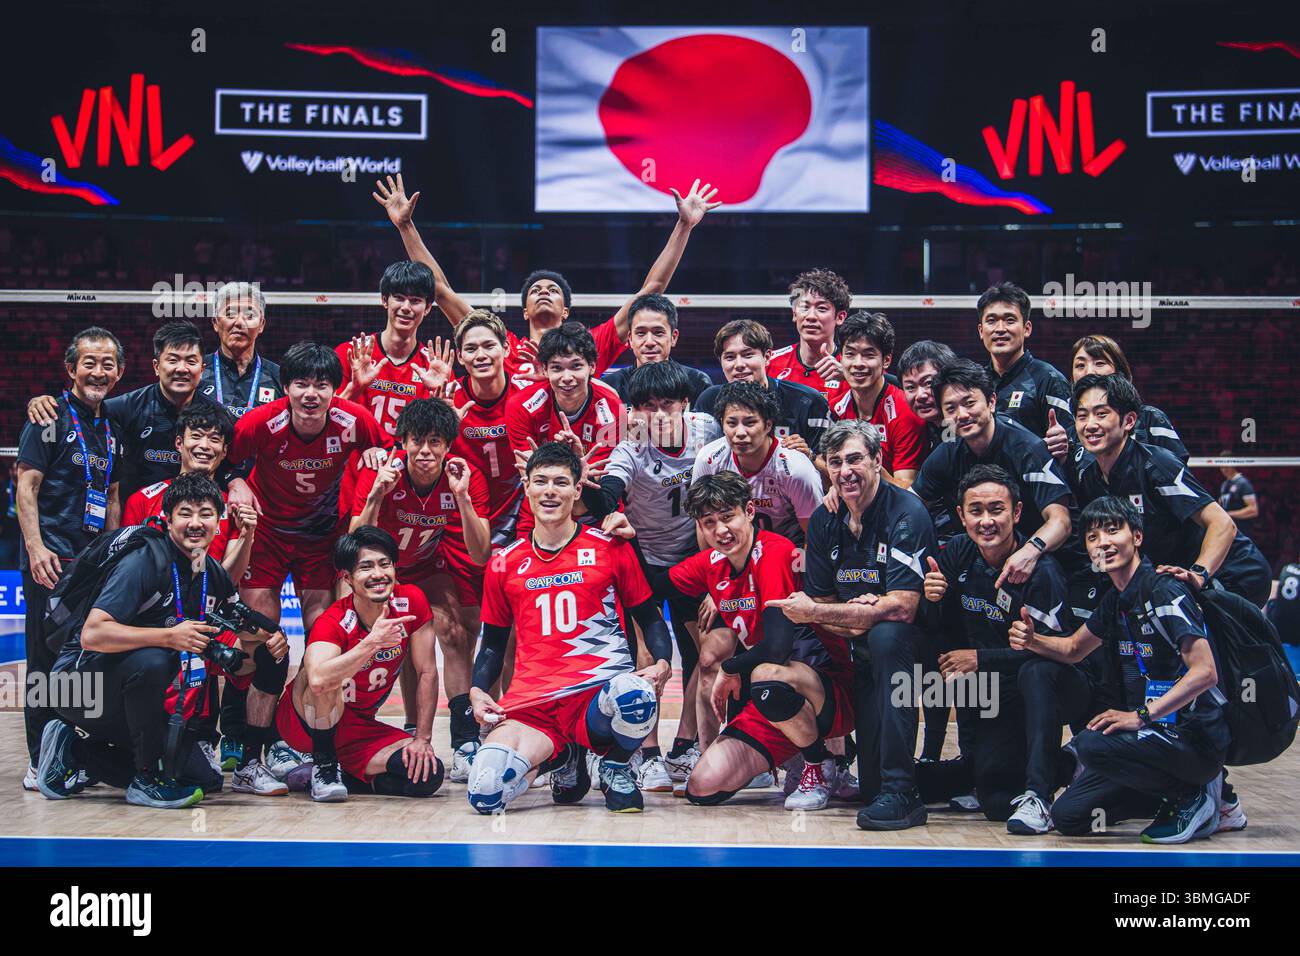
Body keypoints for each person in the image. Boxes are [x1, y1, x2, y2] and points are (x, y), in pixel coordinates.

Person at [35, 474, 286, 809]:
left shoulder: (207, 568)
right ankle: (144, 780)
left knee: (203, 779)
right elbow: (92, 633)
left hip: (131, 694)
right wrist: (169, 636)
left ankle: (77, 752)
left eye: (206, 514)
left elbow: (237, 620)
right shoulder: (144, 560)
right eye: (185, 513)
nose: (195, 523)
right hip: (78, 686)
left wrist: (271, 638)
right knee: (156, 658)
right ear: (169, 519)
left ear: (218, 519)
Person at [466, 442, 673, 814]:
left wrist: (661, 662)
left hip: (596, 699)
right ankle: (559, 758)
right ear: (526, 485)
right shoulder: (504, 563)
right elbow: (494, 644)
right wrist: (478, 691)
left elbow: (650, 619)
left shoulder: (611, 547)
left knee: (635, 694)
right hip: (534, 706)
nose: (549, 491)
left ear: (578, 490)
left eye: (561, 482)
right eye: (540, 481)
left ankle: (613, 765)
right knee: (485, 792)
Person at [1010, 496, 1230, 844]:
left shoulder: (1164, 590)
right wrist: (1033, 640)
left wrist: (1141, 715)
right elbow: (1073, 649)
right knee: (1070, 816)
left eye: (1113, 531)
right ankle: (1164, 795)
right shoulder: (1115, 600)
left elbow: (1205, 673)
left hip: (1193, 738)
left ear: (1137, 537)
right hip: (1152, 740)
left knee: (1092, 745)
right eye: (1093, 537)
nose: (1103, 543)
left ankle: (1195, 794)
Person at [226, 343, 386, 790]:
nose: (311, 393)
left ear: (335, 389)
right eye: (302, 384)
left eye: (321, 384)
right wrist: (236, 481)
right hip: (269, 536)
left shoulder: (356, 420)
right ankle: (246, 755)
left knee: (325, 641)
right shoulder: (260, 423)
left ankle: (317, 756)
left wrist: (378, 458)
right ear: (286, 388)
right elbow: (226, 462)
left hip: (321, 540)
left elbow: (388, 449)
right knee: (261, 633)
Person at [375, 173, 719, 378]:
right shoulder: (502, 346)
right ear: (524, 310)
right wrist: (405, 225)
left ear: (565, 311)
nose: (543, 291)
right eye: (535, 289)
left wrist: (684, 226)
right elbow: (440, 291)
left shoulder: (587, 347)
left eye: (552, 290)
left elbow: (651, 291)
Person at [765, 422, 936, 829]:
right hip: (860, 645)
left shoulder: (907, 513)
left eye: (856, 459)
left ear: (878, 461)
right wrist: (857, 614)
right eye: (837, 462)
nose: (846, 471)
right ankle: (902, 781)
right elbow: (825, 600)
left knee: (889, 635)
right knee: (870, 786)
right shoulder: (827, 519)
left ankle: (904, 793)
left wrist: (829, 613)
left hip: (924, 650)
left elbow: (904, 609)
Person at [918, 464, 1095, 834]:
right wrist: (932, 599)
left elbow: (1059, 654)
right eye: (976, 511)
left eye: (996, 509)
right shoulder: (959, 553)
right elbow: (944, 629)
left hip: (1054, 687)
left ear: (1016, 513)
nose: (986, 521)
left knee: (1033, 671)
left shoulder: (1041, 573)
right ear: (961, 516)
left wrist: (980, 659)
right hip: (996, 692)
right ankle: (972, 764)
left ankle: (1054, 776)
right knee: (996, 803)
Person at [583, 361, 722, 790]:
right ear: (633, 412)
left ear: (685, 404)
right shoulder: (630, 446)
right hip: (644, 558)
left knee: (705, 652)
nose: (657, 415)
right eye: (645, 407)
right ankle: (646, 754)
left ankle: (684, 746)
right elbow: (609, 493)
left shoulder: (707, 430)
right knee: (647, 656)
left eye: (667, 405)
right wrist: (585, 487)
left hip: (693, 559)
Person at [350, 398, 490, 779]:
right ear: (403, 442)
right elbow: (353, 542)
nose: (425, 451)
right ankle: (350, 735)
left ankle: (464, 741)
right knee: (368, 642)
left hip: (428, 565)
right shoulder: (380, 472)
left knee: (455, 631)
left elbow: (480, 554)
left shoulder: (464, 476)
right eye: (416, 441)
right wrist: (377, 494)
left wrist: (462, 499)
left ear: (448, 445)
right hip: (378, 572)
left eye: (435, 442)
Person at [16, 327, 123, 788]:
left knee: (81, 660)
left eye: (106, 364)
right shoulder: (49, 419)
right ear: (71, 369)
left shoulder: (111, 427)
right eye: (88, 362)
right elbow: (27, 487)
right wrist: (36, 548)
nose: (97, 371)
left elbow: (113, 495)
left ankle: (70, 751)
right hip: (51, 560)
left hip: (91, 564)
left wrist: (116, 555)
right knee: (44, 661)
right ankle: (39, 759)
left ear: (118, 373)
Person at [1066, 374, 1271, 606]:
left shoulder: (1157, 465)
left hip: (1232, 573)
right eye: (1082, 416)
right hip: (1173, 580)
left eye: (1101, 414)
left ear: (1129, 421)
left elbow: (1223, 523)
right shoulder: (1090, 480)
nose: (1090, 425)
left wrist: (1198, 574)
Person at [275, 526, 444, 802]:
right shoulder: (333, 620)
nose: (378, 574)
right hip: (305, 723)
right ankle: (324, 765)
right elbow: (317, 680)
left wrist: (423, 738)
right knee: (324, 677)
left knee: (426, 773)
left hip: (359, 729)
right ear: (348, 578)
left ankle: (342, 774)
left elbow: (427, 671)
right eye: (366, 567)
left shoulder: (411, 600)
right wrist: (372, 643)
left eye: (384, 564)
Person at [28, 321, 229, 502]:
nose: (182, 369)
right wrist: (43, 402)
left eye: (191, 362)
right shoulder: (122, 408)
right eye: (173, 360)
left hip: (194, 520)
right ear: (156, 366)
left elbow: (235, 463)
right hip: (135, 521)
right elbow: (79, 410)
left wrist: (236, 481)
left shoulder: (217, 416)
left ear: (202, 370)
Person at [911, 360, 1075, 575]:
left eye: (969, 403)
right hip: (985, 561)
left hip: (1043, 562)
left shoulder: (1028, 448)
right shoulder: (947, 451)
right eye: (951, 408)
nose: (961, 415)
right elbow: (910, 504)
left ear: (992, 402)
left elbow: (1061, 521)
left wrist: (1030, 551)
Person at [505, 322, 625, 537]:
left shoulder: (613, 408)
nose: (567, 377)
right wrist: (562, 459)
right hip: (539, 513)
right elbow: (534, 489)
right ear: (544, 370)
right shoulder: (521, 406)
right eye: (557, 368)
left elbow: (599, 496)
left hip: (596, 513)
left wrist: (562, 464)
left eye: (576, 366)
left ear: (592, 366)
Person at [120, 403, 256, 581]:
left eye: (214, 439)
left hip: (206, 604)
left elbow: (228, 581)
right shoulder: (142, 500)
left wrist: (247, 537)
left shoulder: (233, 508)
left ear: (224, 451)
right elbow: (126, 572)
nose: (205, 445)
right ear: (179, 443)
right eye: (196, 436)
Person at [693, 381, 823, 547]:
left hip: (787, 553)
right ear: (722, 424)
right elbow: (703, 522)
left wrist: (799, 570)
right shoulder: (708, 458)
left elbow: (814, 536)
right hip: (732, 551)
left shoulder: (796, 469)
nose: (740, 433)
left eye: (750, 423)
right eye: (731, 423)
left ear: (768, 424)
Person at [696, 319, 831, 462]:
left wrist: (809, 457)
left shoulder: (808, 402)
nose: (739, 365)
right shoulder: (709, 400)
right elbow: (694, 460)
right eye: (730, 357)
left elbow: (833, 473)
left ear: (767, 357)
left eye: (748, 355)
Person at [826, 312, 926, 487]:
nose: (858, 363)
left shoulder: (905, 411)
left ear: (886, 360)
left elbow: (906, 488)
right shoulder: (836, 408)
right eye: (850, 354)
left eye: (868, 355)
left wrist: (871, 468)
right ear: (840, 358)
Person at [976, 282, 1074, 441]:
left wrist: (1065, 448)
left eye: (1009, 320)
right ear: (981, 331)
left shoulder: (1048, 379)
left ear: (1027, 328)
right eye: (992, 320)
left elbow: (1074, 442)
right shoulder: (976, 383)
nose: (1000, 329)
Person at [1064, 334, 1187, 461]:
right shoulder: (1071, 432)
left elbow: (1176, 470)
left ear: (1119, 371)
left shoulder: (1150, 418)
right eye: (1080, 365)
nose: (1089, 372)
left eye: (1099, 363)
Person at [597, 294, 714, 404]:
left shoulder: (697, 382)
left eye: (658, 333)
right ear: (630, 339)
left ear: (673, 337)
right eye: (641, 333)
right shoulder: (610, 387)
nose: (649, 342)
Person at [767, 269, 853, 407]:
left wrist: (851, 378)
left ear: (840, 317)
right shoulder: (769, 363)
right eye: (804, 307)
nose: (811, 316)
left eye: (822, 308)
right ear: (795, 314)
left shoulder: (854, 369)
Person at [200, 281, 283, 419]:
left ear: (261, 324)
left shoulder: (280, 377)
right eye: (230, 314)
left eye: (249, 315)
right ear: (215, 323)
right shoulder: (196, 372)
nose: (239, 322)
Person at [896, 339, 958, 458]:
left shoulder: (968, 426)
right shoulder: (918, 430)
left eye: (928, 383)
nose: (920, 396)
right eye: (910, 387)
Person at [1217, 461, 1259, 542]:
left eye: (1226, 465)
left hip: (1242, 533)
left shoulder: (1243, 483)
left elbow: (1253, 510)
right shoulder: (1224, 485)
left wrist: (1229, 514)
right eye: (1222, 466)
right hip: (1227, 532)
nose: (1224, 469)